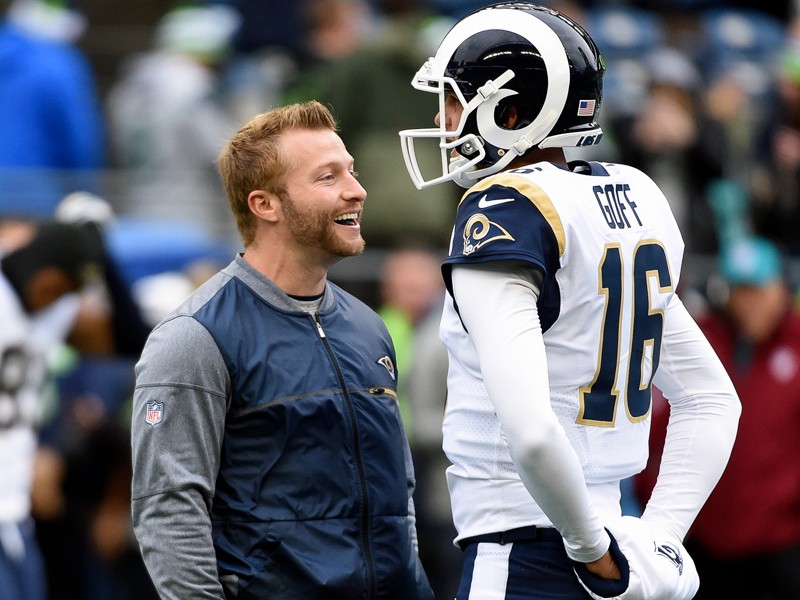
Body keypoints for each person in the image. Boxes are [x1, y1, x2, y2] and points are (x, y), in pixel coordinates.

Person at [398, 3, 742, 599]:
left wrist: (593, 553)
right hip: (613, 537)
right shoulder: (630, 194)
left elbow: (531, 432)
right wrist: (657, 543)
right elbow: (712, 399)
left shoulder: (506, 208)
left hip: (529, 549)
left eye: (455, 99)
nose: (442, 118)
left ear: (508, 114)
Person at [130, 100, 433, 600]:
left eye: (351, 171)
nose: (356, 190)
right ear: (264, 204)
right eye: (327, 177)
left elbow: (399, 495)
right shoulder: (193, 337)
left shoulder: (369, 327)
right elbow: (168, 511)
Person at [637, 235, 800, 599]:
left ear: (781, 288)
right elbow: (658, 435)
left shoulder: (797, 345)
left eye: (758, 289)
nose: (749, 303)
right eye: (740, 291)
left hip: (783, 549)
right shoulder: (703, 343)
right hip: (708, 548)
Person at [0, 220, 107, 600]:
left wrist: (54, 445)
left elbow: (131, 340)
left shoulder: (56, 310)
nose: (50, 292)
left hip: (14, 505)